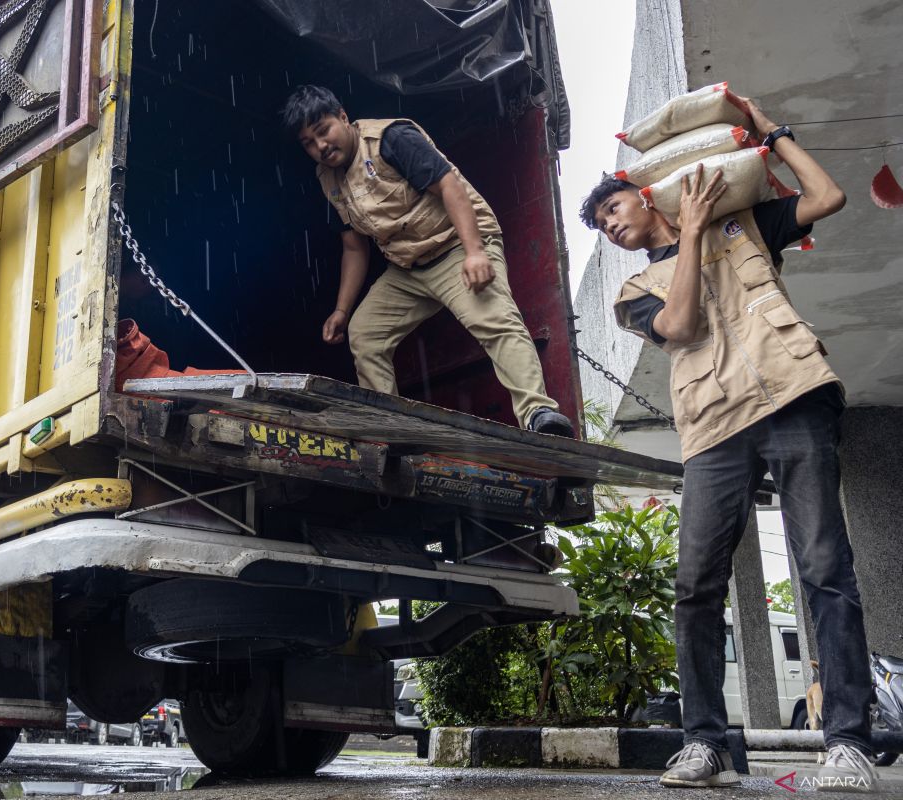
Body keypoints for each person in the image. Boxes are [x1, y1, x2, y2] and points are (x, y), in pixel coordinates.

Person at [582, 97, 877, 791]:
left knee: (825, 569)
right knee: (695, 587)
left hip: (790, 397)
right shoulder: (634, 290)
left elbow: (827, 197)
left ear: (640, 192)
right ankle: (705, 744)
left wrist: (771, 134)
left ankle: (848, 744)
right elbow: (681, 326)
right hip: (714, 427)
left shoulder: (742, 225)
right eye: (600, 227)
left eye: (613, 211)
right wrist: (686, 236)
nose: (612, 228)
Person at [282, 85, 574, 437]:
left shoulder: (391, 138)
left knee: (495, 320)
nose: (321, 146)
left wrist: (475, 251)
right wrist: (342, 310)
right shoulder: (328, 179)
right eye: (309, 143)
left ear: (343, 117)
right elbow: (355, 246)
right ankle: (390, 429)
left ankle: (538, 413)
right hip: (408, 268)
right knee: (365, 334)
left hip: (456, 245)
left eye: (323, 130)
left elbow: (450, 187)